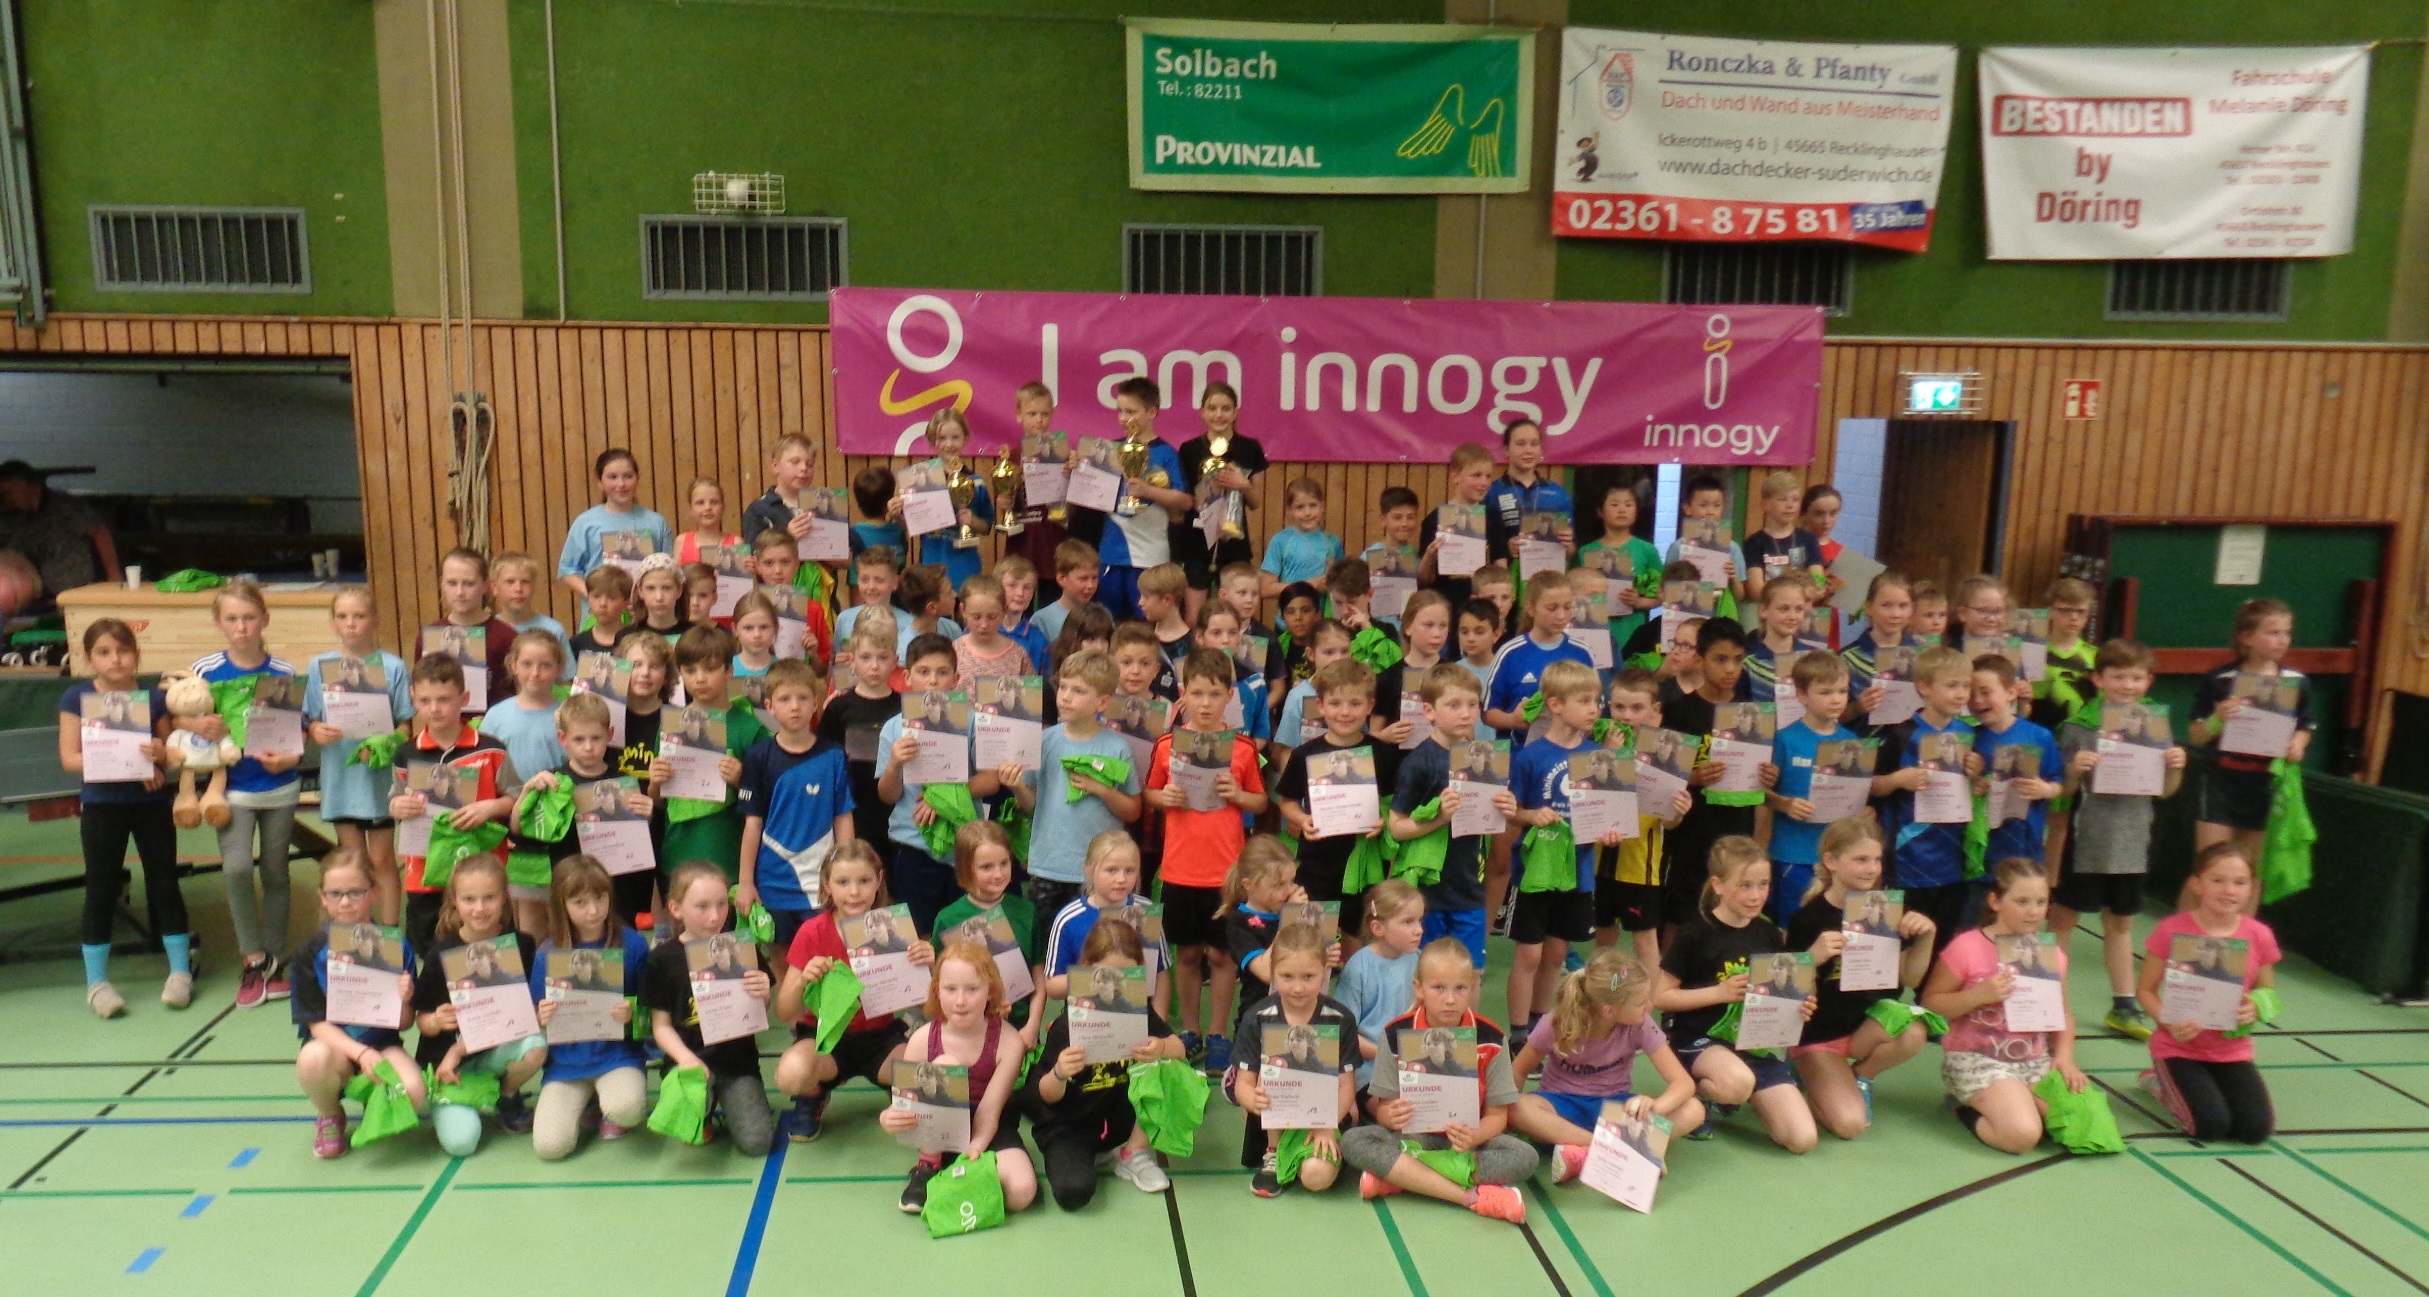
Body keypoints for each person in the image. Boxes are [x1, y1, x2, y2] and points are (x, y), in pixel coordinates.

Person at [1341, 937, 1537, 1223]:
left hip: (1466, 1143)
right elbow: (1383, 1108)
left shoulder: (1491, 1039)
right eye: (1438, 988)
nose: (1450, 999)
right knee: (1353, 1140)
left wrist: (1475, 1136)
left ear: (1473, 986)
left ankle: (1405, 1177)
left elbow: (1498, 1116)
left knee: (1524, 1156)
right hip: (1414, 1138)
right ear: (1418, 987)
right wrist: (1390, 1116)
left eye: (1460, 988)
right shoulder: (1395, 1034)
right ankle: (1467, 1194)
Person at [2052, 639, 2187, 1040]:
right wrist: (2074, 770)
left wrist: (2176, 766)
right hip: (2086, 838)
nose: (2128, 685)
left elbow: (2165, 791)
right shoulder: (2078, 726)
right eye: (2118, 676)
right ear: (2098, 679)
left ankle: (2124, 1004)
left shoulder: (2155, 726)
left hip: (2133, 838)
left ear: (2148, 681)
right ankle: (2048, 1000)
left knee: (2121, 922)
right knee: (2062, 920)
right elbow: (2061, 791)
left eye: (2136, 678)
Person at [1656, 835, 1823, 1152]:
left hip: (1753, 1043)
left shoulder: (1769, 932)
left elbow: (1779, 993)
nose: (1756, 895)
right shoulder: (1695, 932)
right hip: (1699, 1039)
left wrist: (1797, 1006)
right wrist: (1719, 993)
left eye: (1763, 884)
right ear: (1718, 885)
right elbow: (1661, 997)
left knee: (1802, 1139)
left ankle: (1742, 1091)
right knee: (1737, 1084)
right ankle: (1698, 1094)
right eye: (1745, 886)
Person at [1146, 649, 1270, 1075]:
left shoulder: (1242, 748)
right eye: (1197, 693)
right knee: (1186, 954)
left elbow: (1261, 801)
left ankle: (1218, 1033)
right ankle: (1190, 1030)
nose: (1204, 703)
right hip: (1179, 870)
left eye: (1214, 694)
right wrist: (1163, 797)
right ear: (1183, 693)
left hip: (1226, 874)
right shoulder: (1167, 745)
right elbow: (1150, 793)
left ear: (1229, 696)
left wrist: (1238, 795)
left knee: (1220, 956)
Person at [182, 581, 303, 1007]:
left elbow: (295, 733)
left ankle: (274, 960)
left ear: (264, 619)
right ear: (219, 622)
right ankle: (253, 959)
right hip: (230, 789)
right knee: (235, 869)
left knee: (276, 873)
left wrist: (287, 759)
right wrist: (197, 725)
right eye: (232, 618)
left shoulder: (283, 670)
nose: (242, 627)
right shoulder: (205, 669)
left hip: (279, 787)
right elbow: (178, 715)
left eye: (249, 617)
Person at [1921, 857, 2088, 1154]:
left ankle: (2018, 1101)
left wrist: (2064, 1057)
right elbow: (1932, 1004)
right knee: (2022, 1136)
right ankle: (1964, 1107)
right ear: (1995, 901)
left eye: (2041, 902)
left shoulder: (2048, 954)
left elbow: (2062, 1013)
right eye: (2022, 902)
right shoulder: (1967, 946)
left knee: (2079, 1126)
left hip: (2034, 1060)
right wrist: (1977, 995)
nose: (2033, 912)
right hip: (1978, 1060)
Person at [61, 618, 183, 1017]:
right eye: (104, 652)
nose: (115, 659)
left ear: (136, 655)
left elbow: (170, 753)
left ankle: (180, 971)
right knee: (100, 888)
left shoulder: (154, 699)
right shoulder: (76, 698)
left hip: (150, 805)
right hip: (102, 807)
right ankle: (97, 983)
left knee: (164, 882)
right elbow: (70, 759)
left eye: (123, 650)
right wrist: (119, 760)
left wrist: (158, 755)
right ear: (89, 659)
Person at [1783, 819, 1935, 1141]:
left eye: (1877, 860)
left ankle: (1863, 1074)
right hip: (1819, 1034)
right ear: (1831, 861)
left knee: (1914, 1031)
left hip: (1864, 1028)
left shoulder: (1887, 912)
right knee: (1850, 1125)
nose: (1871, 869)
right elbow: (1783, 1000)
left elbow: (1910, 978)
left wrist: (1927, 936)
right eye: (1861, 860)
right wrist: (1812, 957)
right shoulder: (1807, 919)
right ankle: (1804, 1078)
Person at [772, 840, 932, 1140]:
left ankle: (897, 1088)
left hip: (881, 1039)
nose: (854, 892)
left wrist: (930, 968)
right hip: (826, 1039)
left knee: (929, 1073)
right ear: (827, 885)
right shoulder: (812, 932)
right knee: (791, 1074)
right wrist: (802, 979)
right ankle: (813, 1093)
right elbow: (783, 1012)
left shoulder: (895, 928)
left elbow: (929, 1010)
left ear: (879, 881)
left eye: (864, 881)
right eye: (843, 882)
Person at [1021, 917, 1181, 1207]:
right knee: (1073, 1193)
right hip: (1071, 1125)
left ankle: (1132, 1152)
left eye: (1125, 973)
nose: (1113, 983)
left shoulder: (1139, 1011)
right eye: (1105, 974)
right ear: (1088, 968)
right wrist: (1059, 1073)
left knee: (1175, 1070)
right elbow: (1044, 1095)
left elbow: (1180, 1049)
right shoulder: (1068, 1024)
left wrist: (1161, 1047)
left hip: (1122, 1119)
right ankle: (1090, 1153)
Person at [1511, 947, 1703, 1185]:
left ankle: (1582, 1151)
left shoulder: (1640, 1024)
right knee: (1517, 1107)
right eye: (1641, 1002)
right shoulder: (1558, 1022)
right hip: (1561, 1106)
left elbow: (1683, 1083)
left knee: (1694, 1109)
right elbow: (1519, 1070)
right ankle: (1622, 1149)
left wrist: (1655, 1107)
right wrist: (1507, 1120)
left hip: (1615, 1109)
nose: (1649, 1006)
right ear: (1609, 1010)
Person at [1506, 661, 1623, 1037]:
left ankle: (1540, 1026)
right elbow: (1511, 811)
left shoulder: (1597, 757)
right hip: (1535, 873)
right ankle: (1518, 1032)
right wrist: (1531, 814)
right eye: (1584, 701)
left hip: (1578, 872)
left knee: (1557, 954)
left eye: (1597, 701)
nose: (1594, 709)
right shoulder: (1531, 756)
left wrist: (1610, 832)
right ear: (1555, 705)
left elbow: (1608, 816)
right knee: (1529, 954)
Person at [880, 941, 1039, 1214]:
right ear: (937, 991)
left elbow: (989, 1113)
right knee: (946, 1065)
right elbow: (905, 1103)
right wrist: (889, 1118)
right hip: (937, 1134)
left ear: (990, 991)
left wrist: (975, 1149)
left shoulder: (1009, 1041)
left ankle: (956, 1180)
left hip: (989, 1127)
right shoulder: (921, 1040)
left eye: (972, 989)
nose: (960, 1000)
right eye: (950, 989)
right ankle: (929, 1164)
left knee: (1021, 1192)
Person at [2136, 843, 2281, 1143]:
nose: (2229, 890)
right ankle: (2161, 1085)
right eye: (2218, 880)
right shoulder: (2171, 929)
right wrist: (2168, 1022)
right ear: (2197, 884)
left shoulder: (2259, 935)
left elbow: (2267, 991)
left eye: (2239, 882)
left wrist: (2255, 1006)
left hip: (2232, 1051)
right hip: (2178, 1048)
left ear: (2251, 888)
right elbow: (2146, 990)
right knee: (2210, 1127)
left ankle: (2201, 1087)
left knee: (2255, 1130)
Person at [290, 850, 426, 1157]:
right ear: (323, 898)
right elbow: (317, 1024)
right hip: (334, 1049)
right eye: (335, 894)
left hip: (382, 1045)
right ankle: (330, 1113)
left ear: (374, 893)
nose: (345, 902)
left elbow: (405, 1023)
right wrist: (361, 1054)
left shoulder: (395, 946)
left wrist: (405, 999)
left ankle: (372, 1097)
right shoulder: (310, 953)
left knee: (415, 1093)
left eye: (355, 892)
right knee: (312, 1059)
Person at [387, 654, 522, 956]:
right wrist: (397, 807)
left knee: (491, 955)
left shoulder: (491, 749)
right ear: (413, 698)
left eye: (444, 699)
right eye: (425, 700)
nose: (434, 708)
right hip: (425, 876)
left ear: (464, 698)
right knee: (431, 957)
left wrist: (489, 808)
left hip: (482, 880)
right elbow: (394, 800)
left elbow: (516, 798)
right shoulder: (405, 754)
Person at [410, 856, 545, 1153]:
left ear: (504, 897)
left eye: (489, 898)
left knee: (536, 1045)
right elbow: (421, 1018)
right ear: (454, 901)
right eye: (469, 899)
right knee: (462, 1143)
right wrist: (435, 1021)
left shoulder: (521, 946)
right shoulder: (441, 953)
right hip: (449, 1065)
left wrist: (540, 1013)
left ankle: (506, 1095)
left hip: (492, 1051)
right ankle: (455, 1097)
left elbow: (524, 1011)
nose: (479, 908)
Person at [879, 634, 1012, 931]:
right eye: (924, 672)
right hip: (912, 845)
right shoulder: (893, 728)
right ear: (907, 677)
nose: (933, 681)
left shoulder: (973, 722)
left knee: (970, 932)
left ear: (956, 678)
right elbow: (887, 796)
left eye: (942, 672)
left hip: (965, 848)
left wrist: (942, 799)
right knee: (919, 935)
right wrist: (894, 764)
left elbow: (992, 780)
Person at [1389, 663, 1518, 970]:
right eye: (1454, 705)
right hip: (1428, 892)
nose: (1465, 713)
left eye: (1472, 705)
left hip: (1470, 886)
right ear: (1429, 711)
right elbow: (1396, 828)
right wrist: (1439, 818)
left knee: (1471, 971)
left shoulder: (1485, 759)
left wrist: (1507, 808)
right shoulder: (1419, 762)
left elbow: (1491, 821)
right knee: (1426, 970)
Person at [643, 860, 776, 1156]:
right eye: (702, 906)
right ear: (676, 909)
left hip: (736, 1063)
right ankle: (702, 1108)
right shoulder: (662, 959)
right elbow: (660, 1026)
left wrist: (763, 994)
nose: (715, 916)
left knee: (757, 1143)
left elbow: (759, 1012)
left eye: (721, 904)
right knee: (692, 1122)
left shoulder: (742, 948)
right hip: (689, 1062)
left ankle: (727, 1098)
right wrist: (686, 1059)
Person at [526, 854, 650, 1160]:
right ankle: (589, 1103)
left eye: (600, 898)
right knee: (550, 1147)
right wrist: (541, 1017)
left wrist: (632, 1012)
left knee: (627, 1108)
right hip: (566, 1065)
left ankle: (607, 1104)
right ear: (562, 905)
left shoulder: (633, 945)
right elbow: (531, 1017)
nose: (593, 910)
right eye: (580, 902)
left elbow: (653, 1012)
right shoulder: (547, 953)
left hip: (617, 1056)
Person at [1013, 650, 1144, 922]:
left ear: (1102, 702)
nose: (1066, 696)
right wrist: (1016, 787)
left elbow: (1133, 810)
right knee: (1049, 940)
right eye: (1063, 687)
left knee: (1098, 941)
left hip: (1100, 872)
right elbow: (1031, 805)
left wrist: (1102, 790)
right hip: (1048, 865)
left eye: (1079, 691)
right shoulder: (1044, 741)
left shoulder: (1117, 747)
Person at [1868, 645, 1984, 949]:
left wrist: (1976, 775)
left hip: (1953, 861)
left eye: (1966, 686)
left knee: (1942, 944)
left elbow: (1978, 792)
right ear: (1924, 687)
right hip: (1908, 860)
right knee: (1903, 945)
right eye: (1952, 685)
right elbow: (1871, 786)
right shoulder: (1899, 734)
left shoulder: (1970, 734)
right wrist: (1897, 780)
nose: (1961, 694)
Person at [1230, 925, 1360, 1196]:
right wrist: (1252, 1099)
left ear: (1325, 970)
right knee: (1270, 1071)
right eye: (1287, 976)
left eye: (1308, 976)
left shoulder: (1340, 1019)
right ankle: (1274, 1152)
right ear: (1273, 972)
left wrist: (1326, 1126)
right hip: (1273, 1121)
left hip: (1325, 1116)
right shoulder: (1258, 1017)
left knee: (1315, 1178)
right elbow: (1243, 1084)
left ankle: (1312, 1155)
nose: (1298, 987)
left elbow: (1346, 1086)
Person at [735, 658, 856, 950]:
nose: (794, 707)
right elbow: (753, 823)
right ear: (769, 706)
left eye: (802, 698)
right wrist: (746, 882)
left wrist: (845, 872)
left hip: (821, 881)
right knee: (780, 956)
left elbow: (843, 817)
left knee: (823, 956)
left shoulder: (834, 755)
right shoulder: (758, 756)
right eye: (784, 699)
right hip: (773, 882)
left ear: (816, 703)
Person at [2188, 598, 2310, 883]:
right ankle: (2193, 914)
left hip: (2265, 782)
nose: (2282, 640)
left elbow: (2304, 725)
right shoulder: (2221, 679)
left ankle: (2244, 916)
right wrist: (2217, 719)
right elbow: (2196, 734)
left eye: (2287, 633)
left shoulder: (2296, 682)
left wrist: (2298, 744)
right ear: (2246, 637)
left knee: (2249, 870)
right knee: (2210, 866)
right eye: (2273, 632)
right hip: (2221, 779)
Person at [1276, 658, 1399, 924]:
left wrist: (1383, 820)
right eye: (1335, 703)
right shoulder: (1305, 754)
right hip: (1316, 862)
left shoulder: (1383, 753)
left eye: (1354, 704)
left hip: (1364, 863)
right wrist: (1302, 819)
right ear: (1320, 706)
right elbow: (1287, 801)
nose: (1345, 712)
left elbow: (1394, 803)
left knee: (1360, 931)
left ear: (1370, 706)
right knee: (1314, 933)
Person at [1594, 668, 1692, 972]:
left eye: (1636, 708)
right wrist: (1608, 756)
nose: (1626, 716)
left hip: (1639, 867)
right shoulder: (1598, 747)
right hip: (1598, 861)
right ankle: (1602, 992)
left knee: (1645, 941)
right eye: (1619, 707)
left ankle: (1652, 1000)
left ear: (1655, 711)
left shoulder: (1667, 756)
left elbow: (1670, 824)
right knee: (1603, 937)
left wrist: (1679, 810)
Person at [1076, 376, 1191, 621]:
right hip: (1111, 555)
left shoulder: (1166, 454)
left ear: (1152, 412)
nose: (1123, 418)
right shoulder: (1108, 450)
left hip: (1150, 557)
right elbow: (1086, 494)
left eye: (1131, 411)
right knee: (1109, 624)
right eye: (1120, 411)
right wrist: (1075, 472)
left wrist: (1149, 491)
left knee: (1149, 625)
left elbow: (1185, 501)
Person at [480, 629, 571, 933]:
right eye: (527, 664)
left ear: (559, 668)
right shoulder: (496, 717)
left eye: (545, 665)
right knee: (527, 908)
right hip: (514, 821)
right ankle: (531, 959)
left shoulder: (567, 713)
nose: (536, 673)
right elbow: (487, 774)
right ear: (513, 666)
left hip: (559, 821)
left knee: (563, 904)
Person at [934, 820, 1047, 1045]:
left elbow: (1039, 978)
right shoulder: (948, 919)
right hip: (965, 1034)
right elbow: (938, 984)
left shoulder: (1027, 911)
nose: (998, 873)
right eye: (986, 867)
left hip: (1019, 1029)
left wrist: (1033, 1025)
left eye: (1004, 863)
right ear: (966, 868)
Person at [1763, 650, 1854, 923]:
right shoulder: (1785, 739)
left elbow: (1858, 795)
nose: (1836, 699)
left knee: (1832, 925)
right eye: (1825, 692)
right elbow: (1760, 793)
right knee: (1792, 924)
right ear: (1802, 695)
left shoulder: (1851, 741)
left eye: (1842, 691)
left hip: (1837, 856)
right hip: (1793, 853)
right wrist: (1785, 804)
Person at [1171, 380, 1267, 617]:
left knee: (1237, 613)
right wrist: (1207, 490)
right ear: (1202, 412)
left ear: (1235, 412)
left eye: (1226, 409)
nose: (1219, 414)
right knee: (1194, 616)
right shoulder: (1189, 449)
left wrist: (1242, 484)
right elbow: (1185, 500)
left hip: (1234, 543)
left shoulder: (1249, 448)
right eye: (1212, 408)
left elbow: (1255, 502)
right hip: (1197, 541)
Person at [1971, 653, 2064, 875]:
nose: (1977, 700)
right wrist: (1974, 783)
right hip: (1981, 848)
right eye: (1971, 694)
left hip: (2025, 843)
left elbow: (2059, 782)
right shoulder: (1970, 739)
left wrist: (2045, 789)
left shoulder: (2039, 736)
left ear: (2011, 692)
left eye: (1985, 692)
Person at [1334, 880, 1424, 1094]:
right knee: (1390, 1104)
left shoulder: (1421, 961)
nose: (1419, 930)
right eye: (1408, 922)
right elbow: (1343, 1033)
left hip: (1415, 1064)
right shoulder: (1358, 968)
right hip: (1369, 1069)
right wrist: (1387, 1056)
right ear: (1378, 928)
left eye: (1420, 920)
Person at [1483, 572, 1591, 738]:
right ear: (1530, 609)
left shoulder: (1582, 652)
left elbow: (1597, 706)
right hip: (1521, 750)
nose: (1561, 616)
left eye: (1568, 607)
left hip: (1572, 751)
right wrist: (1512, 720)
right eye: (1552, 608)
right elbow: (1488, 712)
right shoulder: (1510, 652)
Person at [908, 407, 994, 591]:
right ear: (932, 440)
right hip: (931, 567)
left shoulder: (976, 481)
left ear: (965, 438)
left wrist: (972, 521)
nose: (949, 444)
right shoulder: (922, 481)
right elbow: (911, 524)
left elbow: (987, 526)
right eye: (942, 438)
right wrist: (898, 512)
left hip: (966, 568)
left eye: (955, 437)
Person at [424, 549, 519, 714]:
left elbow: (520, 690)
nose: (460, 592)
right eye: (452, 583)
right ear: (441, 584)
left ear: (485, 585)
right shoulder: (429, 637)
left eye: (469, 584)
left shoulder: (506, 636)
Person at [0, 459, 110, 602]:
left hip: (82, 592)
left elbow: (99, 533)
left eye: (8, 493)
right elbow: (13, 553)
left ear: (22, 484)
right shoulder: (23, 520)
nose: (7, 500)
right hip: (50, 597)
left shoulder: (65, 507)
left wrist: (113, 576)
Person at [1578, 480, 1663, 652]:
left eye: (1628, 505)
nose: (1622, 509)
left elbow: (1662, 594)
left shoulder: (1647, 550)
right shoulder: (1586, 552)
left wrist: (1638, 601)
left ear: (1636, 511)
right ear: (1600, 511)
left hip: (1633, 631)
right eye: (1614, 504)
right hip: (1593, 630)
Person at [1417, 442, 1500, 612]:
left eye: (1488, 476)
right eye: (1476, 475)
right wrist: (1429, 557)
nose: (1484, 482)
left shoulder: (1493, 517)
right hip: (1446, 608)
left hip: (1483, 609)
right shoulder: (1434, 520)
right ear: (1455, 477)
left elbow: (1501, 569)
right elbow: (1424, 581)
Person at [1483, 419, 1573, 574]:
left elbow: (1571, 552)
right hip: (1505, 580)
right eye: (1520, 444)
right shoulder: (1492, 491)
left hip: (1548, 580)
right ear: (1506, 450)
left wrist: (1567, 543)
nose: (1528, 450)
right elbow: (1479, 546)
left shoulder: (1558, 493)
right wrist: (1504, 548)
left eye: (1534, 444)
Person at [1741, 470, 1826, 605]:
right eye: (1783, 499)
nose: (1790, 505)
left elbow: (1820, 582)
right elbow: (1756, 590)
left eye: (1795, 499)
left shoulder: (1808, 539)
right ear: (1765, 505)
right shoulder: (1755, 542)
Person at [1258, 477, 1344, 599]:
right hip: (1290, 610)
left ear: (1322, 507)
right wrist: (1311, 585)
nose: (1307, 513)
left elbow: (1342, 584)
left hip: (1324, 611)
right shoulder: (1281, 541)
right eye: (1300, 507)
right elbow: (1266, 589)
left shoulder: (1333, 542)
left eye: (1313, 505)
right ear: (1289, 510)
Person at [2033, 577, 2100, 732]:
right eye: (2065, 610)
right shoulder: (2032, 651)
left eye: (2081, 611)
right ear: (2050, 611)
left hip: (2079, 732)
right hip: (2037, 729)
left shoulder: (2096, 656)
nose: (2074, 617)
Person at [1666, 474, 1746, 603]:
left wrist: (1733, 577)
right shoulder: (1678, 547)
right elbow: (1667, 590)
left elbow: (1740, 596)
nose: (1710, 511)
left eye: (1717, 505)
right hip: (1688, 610)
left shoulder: (1732, 548)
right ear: (1687, 508)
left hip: (1721, 610)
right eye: (1703, 505)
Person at [489, 552, 573, 672]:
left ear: (534, 587)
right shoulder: (486, 630)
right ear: (494, 587)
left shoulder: (553, 629)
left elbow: (567, 677)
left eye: (525, 582)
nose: (518, 589)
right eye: (510, 581)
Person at [953, 574, 1029, 689]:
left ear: (1004, 611)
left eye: (992, 617)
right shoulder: (954, 652)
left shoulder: (1018, 655)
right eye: (976, 617)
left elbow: (1031, 697)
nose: (984, 625)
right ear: (963, 610)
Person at [1031, 539, 1103, 647]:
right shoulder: (1042, 620)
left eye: (1094, 578)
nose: (1090, 585)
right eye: (1083, 578)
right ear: (1062, 578)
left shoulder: (1102, 615)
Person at [568, 565, 635, 660]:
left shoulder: (637, 640)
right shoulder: (577, 643)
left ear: (627, 602)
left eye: (612, 598)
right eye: (596, 596)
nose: (602, 604)